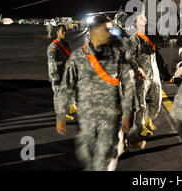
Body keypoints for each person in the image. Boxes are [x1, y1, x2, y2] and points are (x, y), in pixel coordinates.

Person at [55, 15, 136, 171]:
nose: (110, 32)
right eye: (106, 29)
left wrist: (127, 114)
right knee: (87, 159)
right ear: (93, 31)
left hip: (110, 120)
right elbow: (66, 87)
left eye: (111, 29)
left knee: (105, 162)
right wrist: (60, 116)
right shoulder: (78, 57)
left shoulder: (117, 55)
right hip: (87, 121)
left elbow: (128, 86)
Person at [130, 13, 162, 137]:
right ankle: (140, 125)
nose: (146, 19)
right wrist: (138, 70)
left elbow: (164, 44)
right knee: (140, 103)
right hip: (142, 75)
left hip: (154, 74)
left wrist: (176, 35)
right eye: (142, 18)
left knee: (157, 100)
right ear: (135, 23)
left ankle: (148, 118)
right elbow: (130, 57)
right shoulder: (134, 39)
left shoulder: (150, 37)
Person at [47, 24, 77, 121]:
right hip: (56, 74)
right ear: (57, 32)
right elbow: (52, 63)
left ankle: (71, 108)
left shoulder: (66, 44)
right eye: (62, 31)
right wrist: (63, 63)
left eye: (65, 31)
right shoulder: (53, 46)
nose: (65, 33)